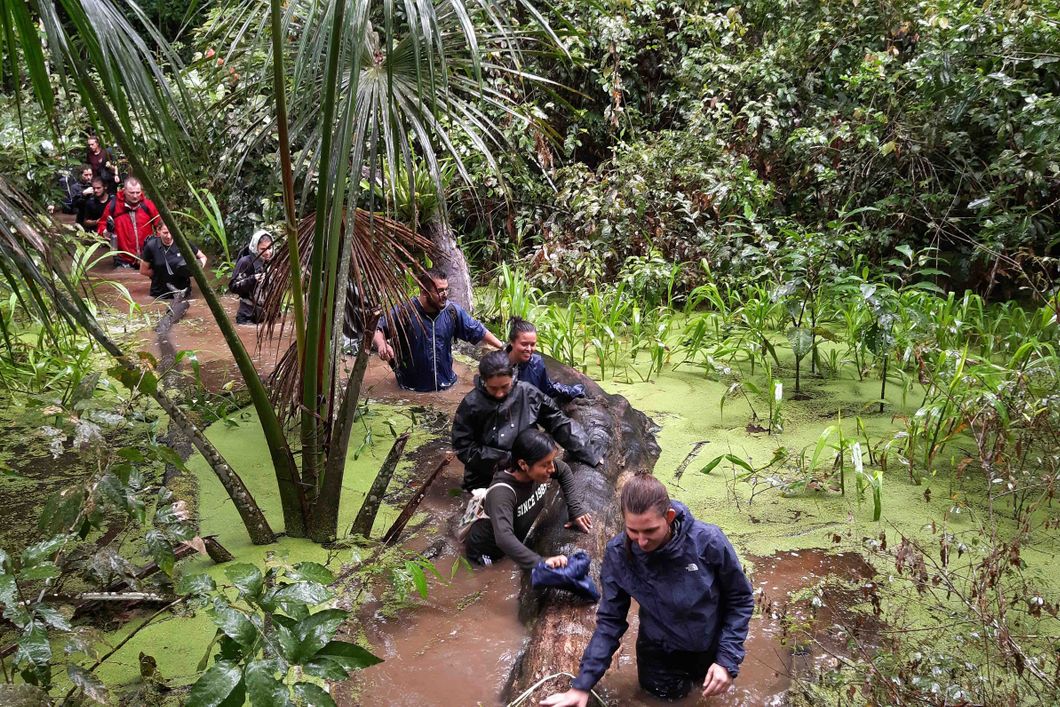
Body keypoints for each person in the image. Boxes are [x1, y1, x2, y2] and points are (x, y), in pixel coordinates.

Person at [541, 474, 754, 705]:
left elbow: (740, 600)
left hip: (709, 648)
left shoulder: (708, 542)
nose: (641, 541)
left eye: (650, 531)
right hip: (659, 657)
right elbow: (611, 621)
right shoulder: (618, 554)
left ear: (669, 517)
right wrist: (582, 685)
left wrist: (726, 660)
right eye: (633, 531)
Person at [452, 351, 602, 491]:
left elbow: (557, 421)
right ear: (483, 381)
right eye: (493, 388)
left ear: (513, 378)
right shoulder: (471, 404)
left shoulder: (528, 392)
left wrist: (588, 451)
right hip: (486, 476)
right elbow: (463, 446)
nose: (499, 394)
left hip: (528, 469)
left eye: (505, 387)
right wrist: (507, 460)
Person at [465, 429, 592, 569]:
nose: (551, 468)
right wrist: (540, 562)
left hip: (515, 539)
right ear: (523, 464)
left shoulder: (538, 471)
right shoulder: (502, 493)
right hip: (487, 552)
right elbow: (504, 539)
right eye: (545, 464)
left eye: (551, 461)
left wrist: (575, 509)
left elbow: (564, 470)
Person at [372, 267, 503, 392]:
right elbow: (377, 329)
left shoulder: (452, 311)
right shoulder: (405, 311)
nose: (445, 295)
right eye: (440, 291)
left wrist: (503, 347)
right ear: (424, 291)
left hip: (447, 386)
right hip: (411, 389)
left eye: (446, 290)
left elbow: (478, 330)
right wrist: (382, 345)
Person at [507, 317, 586, 402]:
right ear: (512, 342)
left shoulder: (536, 363)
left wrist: (572, 391)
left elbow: (546, 388)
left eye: (532, 344)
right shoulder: (497, 364)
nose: (529, 349)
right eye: (524, 344)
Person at [98, 177, 158, 268]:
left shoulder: (147, 205)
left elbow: (160, 225)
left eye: (138, 192)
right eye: (131, 193)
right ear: (124, 190)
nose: (135, 196)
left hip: (146, 258)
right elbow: (100, 226)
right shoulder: (113, 206)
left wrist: (157, 245)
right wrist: (107, 231)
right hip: (122, 259)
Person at [139, 222, 207, 299]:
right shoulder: (151, 246)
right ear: (158, 230)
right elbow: (143, 270)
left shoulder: (183, 243)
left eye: (171, 232)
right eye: (165, 233)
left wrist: (198, 268)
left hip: (183, 294)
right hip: (159, 294)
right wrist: (159, 274)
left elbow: (203, 257)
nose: (169, 236)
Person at [229, 230, 274, 324]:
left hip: (266, 315)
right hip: (247, 316)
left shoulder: (272, 262)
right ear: (255, 248)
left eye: (269, 248)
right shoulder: (245, 262)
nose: (267, 252)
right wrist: (252, 279)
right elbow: (233, 287)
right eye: (263, 249)